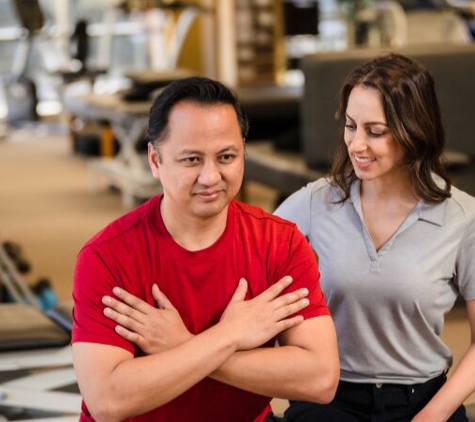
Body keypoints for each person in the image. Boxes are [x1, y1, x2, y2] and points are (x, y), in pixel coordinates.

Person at [71, 76, 339, 422]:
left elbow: (320, 379)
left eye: (226, 156)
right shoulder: (107, 257)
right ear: (155, 160)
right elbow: (108, 400)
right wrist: (229, 335)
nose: (211, 176)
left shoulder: (280, 243)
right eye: (192, 160)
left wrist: (182, 344)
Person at [275, 52, 475, 421]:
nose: (356, 144)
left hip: (424, 398)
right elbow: (244, 251)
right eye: (350, 126)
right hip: (329, 397)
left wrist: (432, 416)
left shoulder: (463, 218)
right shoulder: (317, 201)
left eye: (375, 131)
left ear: (414, 131)